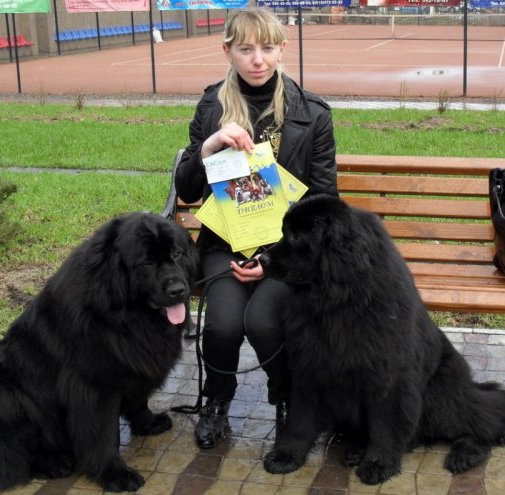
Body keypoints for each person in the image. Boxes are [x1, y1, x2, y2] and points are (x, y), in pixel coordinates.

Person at [174, 6, 338, 450]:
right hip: (223, 245)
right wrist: (209, 146)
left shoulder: (312, 114)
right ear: (227, 51)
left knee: (264, 320)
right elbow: (187, 188)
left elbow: (325, 204)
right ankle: (216, 403)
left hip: (287, 254)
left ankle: (288, 402)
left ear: (283, 49)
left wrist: (272, 261)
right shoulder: (211, 107)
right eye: (245, 49)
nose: (258, 59)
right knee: (224, 324)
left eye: (267, 48)